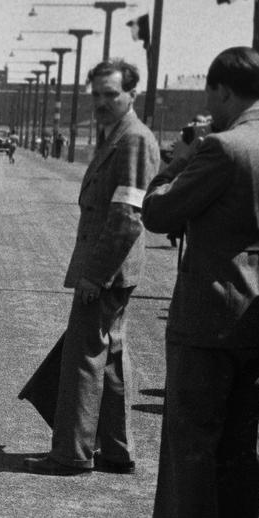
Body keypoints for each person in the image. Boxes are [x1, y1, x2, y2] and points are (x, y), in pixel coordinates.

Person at [118, 46, 259, 518]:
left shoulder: (224, 149)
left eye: (212, 93)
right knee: (248, 436)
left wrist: (186, 156)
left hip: (214, 304)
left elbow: (158, 212)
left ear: (223, 91)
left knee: (191, 436)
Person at [25, 59, 159, 476]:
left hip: (108, 269)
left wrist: (94, 275)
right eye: (96, 94)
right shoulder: (115, 136)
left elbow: (126, 218)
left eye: (110, 94)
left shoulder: (133, 140)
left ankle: (72, 453)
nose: (101, 102)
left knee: (83, 359)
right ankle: (117, 451)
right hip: (111, 267)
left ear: (132, 94)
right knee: (111, 357)